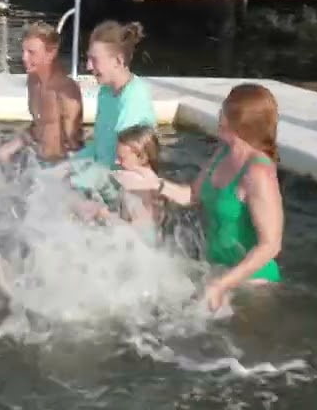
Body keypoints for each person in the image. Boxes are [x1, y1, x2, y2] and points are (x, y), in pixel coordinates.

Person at [114, 83, 284, 311]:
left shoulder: (259, 172)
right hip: (216, 272)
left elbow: (271, 245)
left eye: (224, 111)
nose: (219, 115)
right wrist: (154, 183)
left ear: (240, 121)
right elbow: (192, 195)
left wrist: (224, 284)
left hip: (252, 285)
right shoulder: (223, 152)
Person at [66, 20, 156, 198]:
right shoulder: (105, 92)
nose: (88, 66)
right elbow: (101, 147)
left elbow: (122, 162)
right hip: (104, 179)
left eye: (95, 60)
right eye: (88, 58)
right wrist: (68, 164)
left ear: (118, 61)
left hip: (128, 192)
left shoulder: (134, 99)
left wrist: (75, 182)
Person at [0, 22, 84, 166]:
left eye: (31, 52)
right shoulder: (33, 81)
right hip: (37, 160)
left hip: (58, 167)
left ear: (51, 53)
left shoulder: (66, 90)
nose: (24, 57)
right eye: (23, 51)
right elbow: (39, 126)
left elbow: (74, 144)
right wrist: (10, 147)